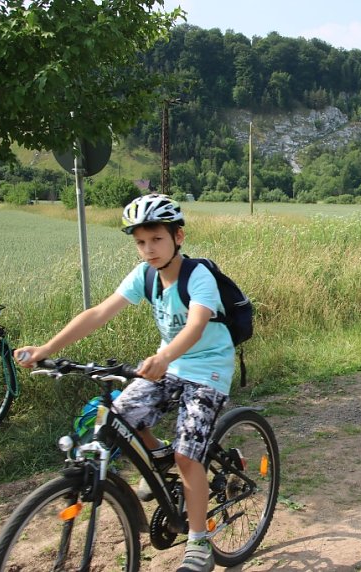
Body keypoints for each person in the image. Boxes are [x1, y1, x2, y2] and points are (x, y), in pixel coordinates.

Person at [14, 193, 231, 572]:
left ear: (178, 237)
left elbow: (196, 325)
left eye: (156, 239)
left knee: (187, 454)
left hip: (208, 369)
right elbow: (99, 312)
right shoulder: (144, 276)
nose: (148, 250)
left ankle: (199, 542)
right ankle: (159, 454)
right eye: (140, 242)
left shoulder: (198, 275)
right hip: (169, 365)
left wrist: (164, 356)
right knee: (118, 414)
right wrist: (46, 348)